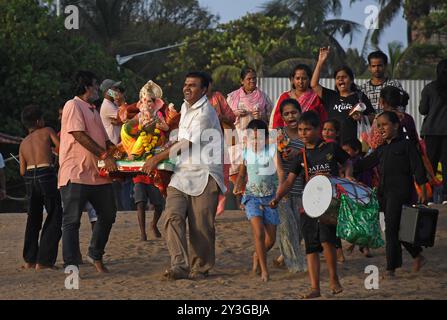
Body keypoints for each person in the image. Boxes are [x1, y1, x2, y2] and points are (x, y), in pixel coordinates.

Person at [142, 71, 225, 280]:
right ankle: (179, 265)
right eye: (186, 84)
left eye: (193, 85)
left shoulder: (205, 112)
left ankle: (201, 268)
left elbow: (187, 143)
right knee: (172, 216)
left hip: (205, 173)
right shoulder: (184, 107)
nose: (187, 88)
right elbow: (180, 138)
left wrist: (156, 158)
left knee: (201, 228)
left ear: (204, 89)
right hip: (181, 173)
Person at [270, 111, 352, 299]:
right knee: (311, 247)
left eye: (307, 129)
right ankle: (315, 287)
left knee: (326, 241)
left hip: (329, 204)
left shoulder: (330, 148)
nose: (303, 133)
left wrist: (347, 176)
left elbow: (348, 163)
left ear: (317, 129)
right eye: (300, 130)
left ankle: (333, 278)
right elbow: (289, 182)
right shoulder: (301, 157)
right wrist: (276, 198)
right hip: (309, 205)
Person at [354, 111, 427, 277]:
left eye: (384, 125)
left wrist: (422, 189)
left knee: (391, 228)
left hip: (401, 193)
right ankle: (417, 255)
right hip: (383, 193)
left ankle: (391, 268)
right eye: (378, 125)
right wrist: (347, 163)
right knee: (395, 228)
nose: (380, 128)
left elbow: (418, 167)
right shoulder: (381, 149)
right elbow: (363, 165)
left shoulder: (406, 146)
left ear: (395, 125)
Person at [59, 70, 118, 273]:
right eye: (95, 85)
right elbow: (77, 134)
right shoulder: (73, 104)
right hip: (75, 173)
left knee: (109, 213)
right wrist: (104, 155)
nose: (97, 90)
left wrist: (124, 151)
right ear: (86, 87)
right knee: (72, 221)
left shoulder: (94, 109)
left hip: (98, 175)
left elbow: (106, 141)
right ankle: (71, 266)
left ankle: (95, 253)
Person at [234, 119, 279, 282]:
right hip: (251, 196)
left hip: (270, 197)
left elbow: (280, 173)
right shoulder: (246, 152)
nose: (255, 142)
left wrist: (281, 193)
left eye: (259, 138)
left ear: (266, 138)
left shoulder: (272, 151)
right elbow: (241, 173)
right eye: (251, 138)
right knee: (258, 232)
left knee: (271, 239)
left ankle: (257, 255)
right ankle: (264, 270)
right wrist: (238, 186)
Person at [18, 105, 62, 270]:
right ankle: (44, 261)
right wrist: (53, 155)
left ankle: (29, 259)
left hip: (30, 177)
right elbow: (61, 147)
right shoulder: (47, 131)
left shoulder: (23, 143)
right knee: (54, 214)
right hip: (46, 174)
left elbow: (22, 170)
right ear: (38, 121)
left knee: (33, 218)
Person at [227, 67, 273, 208]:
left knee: (253, 167)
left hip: (256, 139)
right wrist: (235, 114)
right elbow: (226, 119)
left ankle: (252, 201)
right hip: (237, 137)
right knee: (236, 169)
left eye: (254, 78)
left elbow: (271, 119)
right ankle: (240, 202)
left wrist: (260, 117)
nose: (252, 81)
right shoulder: (232, 97)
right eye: (248, 79)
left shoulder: (263, 97)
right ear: (242, 81)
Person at [311, 47, 375, 144]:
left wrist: (362, 117)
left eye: (344, 77)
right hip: (333, 144)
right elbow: (314, 85)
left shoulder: (359, 97)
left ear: (351, 80)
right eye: (337, 78)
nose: (340, 80)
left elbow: (374, 117)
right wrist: (320, 61)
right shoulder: (331, 96)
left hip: (354, 145)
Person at [272, 99, 306, 273]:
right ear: (282, 116)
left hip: (303, 188)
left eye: (294, 112)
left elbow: (316, 153)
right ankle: (294, 265)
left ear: (300, 112)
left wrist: (299, 153)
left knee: (299, 228)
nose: (291, 116)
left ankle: (283, 258)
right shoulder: (277, 134)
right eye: (286, 113)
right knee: (286, 227)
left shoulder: (307, 134)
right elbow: (274, 159)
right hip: (282, 187)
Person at [205, 74, 236, 215]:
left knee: (223, 172)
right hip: (202, 144)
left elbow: (231, 116)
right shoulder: (195, 101)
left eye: (208, 84)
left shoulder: (218, 97)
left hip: (220, 140)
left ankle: (220, 202)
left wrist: (222, 117)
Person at [419, 59, 447, 205]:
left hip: (431, 132)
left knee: (430, 167)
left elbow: (423, 110)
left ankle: (427, 197)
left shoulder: (430, 88)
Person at [341, 138, 374, 258]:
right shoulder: (350, 162)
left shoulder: (357, 163)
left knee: (363, 221)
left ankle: (362, 246)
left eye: (347, 150)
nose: (345, 153)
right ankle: (359, 245)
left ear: (356, 151)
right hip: (356, 196)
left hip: (363, 195)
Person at [270, 64, 327, 129]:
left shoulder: (316, 98)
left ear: (310, 79)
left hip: (311, 137)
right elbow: (276, 120)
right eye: (297, 78)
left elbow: (323, 121)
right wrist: (273, 138)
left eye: (304, 78)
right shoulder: (284, 97)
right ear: (292, 80)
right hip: (286, 137)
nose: (300, 81)